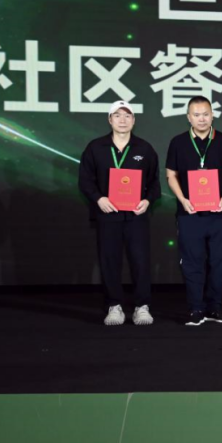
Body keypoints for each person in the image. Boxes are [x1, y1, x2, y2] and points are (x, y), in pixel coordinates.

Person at [77, 100, 161, 325]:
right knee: (109, 261)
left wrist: (147, 201)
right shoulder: (96, 148)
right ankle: (114, 306)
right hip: (107, 214)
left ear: (133, 120)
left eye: (127, 116)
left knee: (140, 261)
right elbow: (85, 180)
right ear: (109, 120)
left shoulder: (145, 149)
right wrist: (99, 198)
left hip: (136, 215)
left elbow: (154, 183)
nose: (122, 120)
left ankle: (142, 306)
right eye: (117, 115)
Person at [165, 96, 222, 326]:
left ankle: (214, 308)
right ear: (189, 117)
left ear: (212, 115)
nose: (202, 119)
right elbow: (171, 175)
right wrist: (183, 199)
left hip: (220, 214)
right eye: (196, 115)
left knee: (218, 262)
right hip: (189, 213)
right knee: (192, 262)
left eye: (206, 114)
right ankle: (196, 309)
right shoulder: (178, 142)